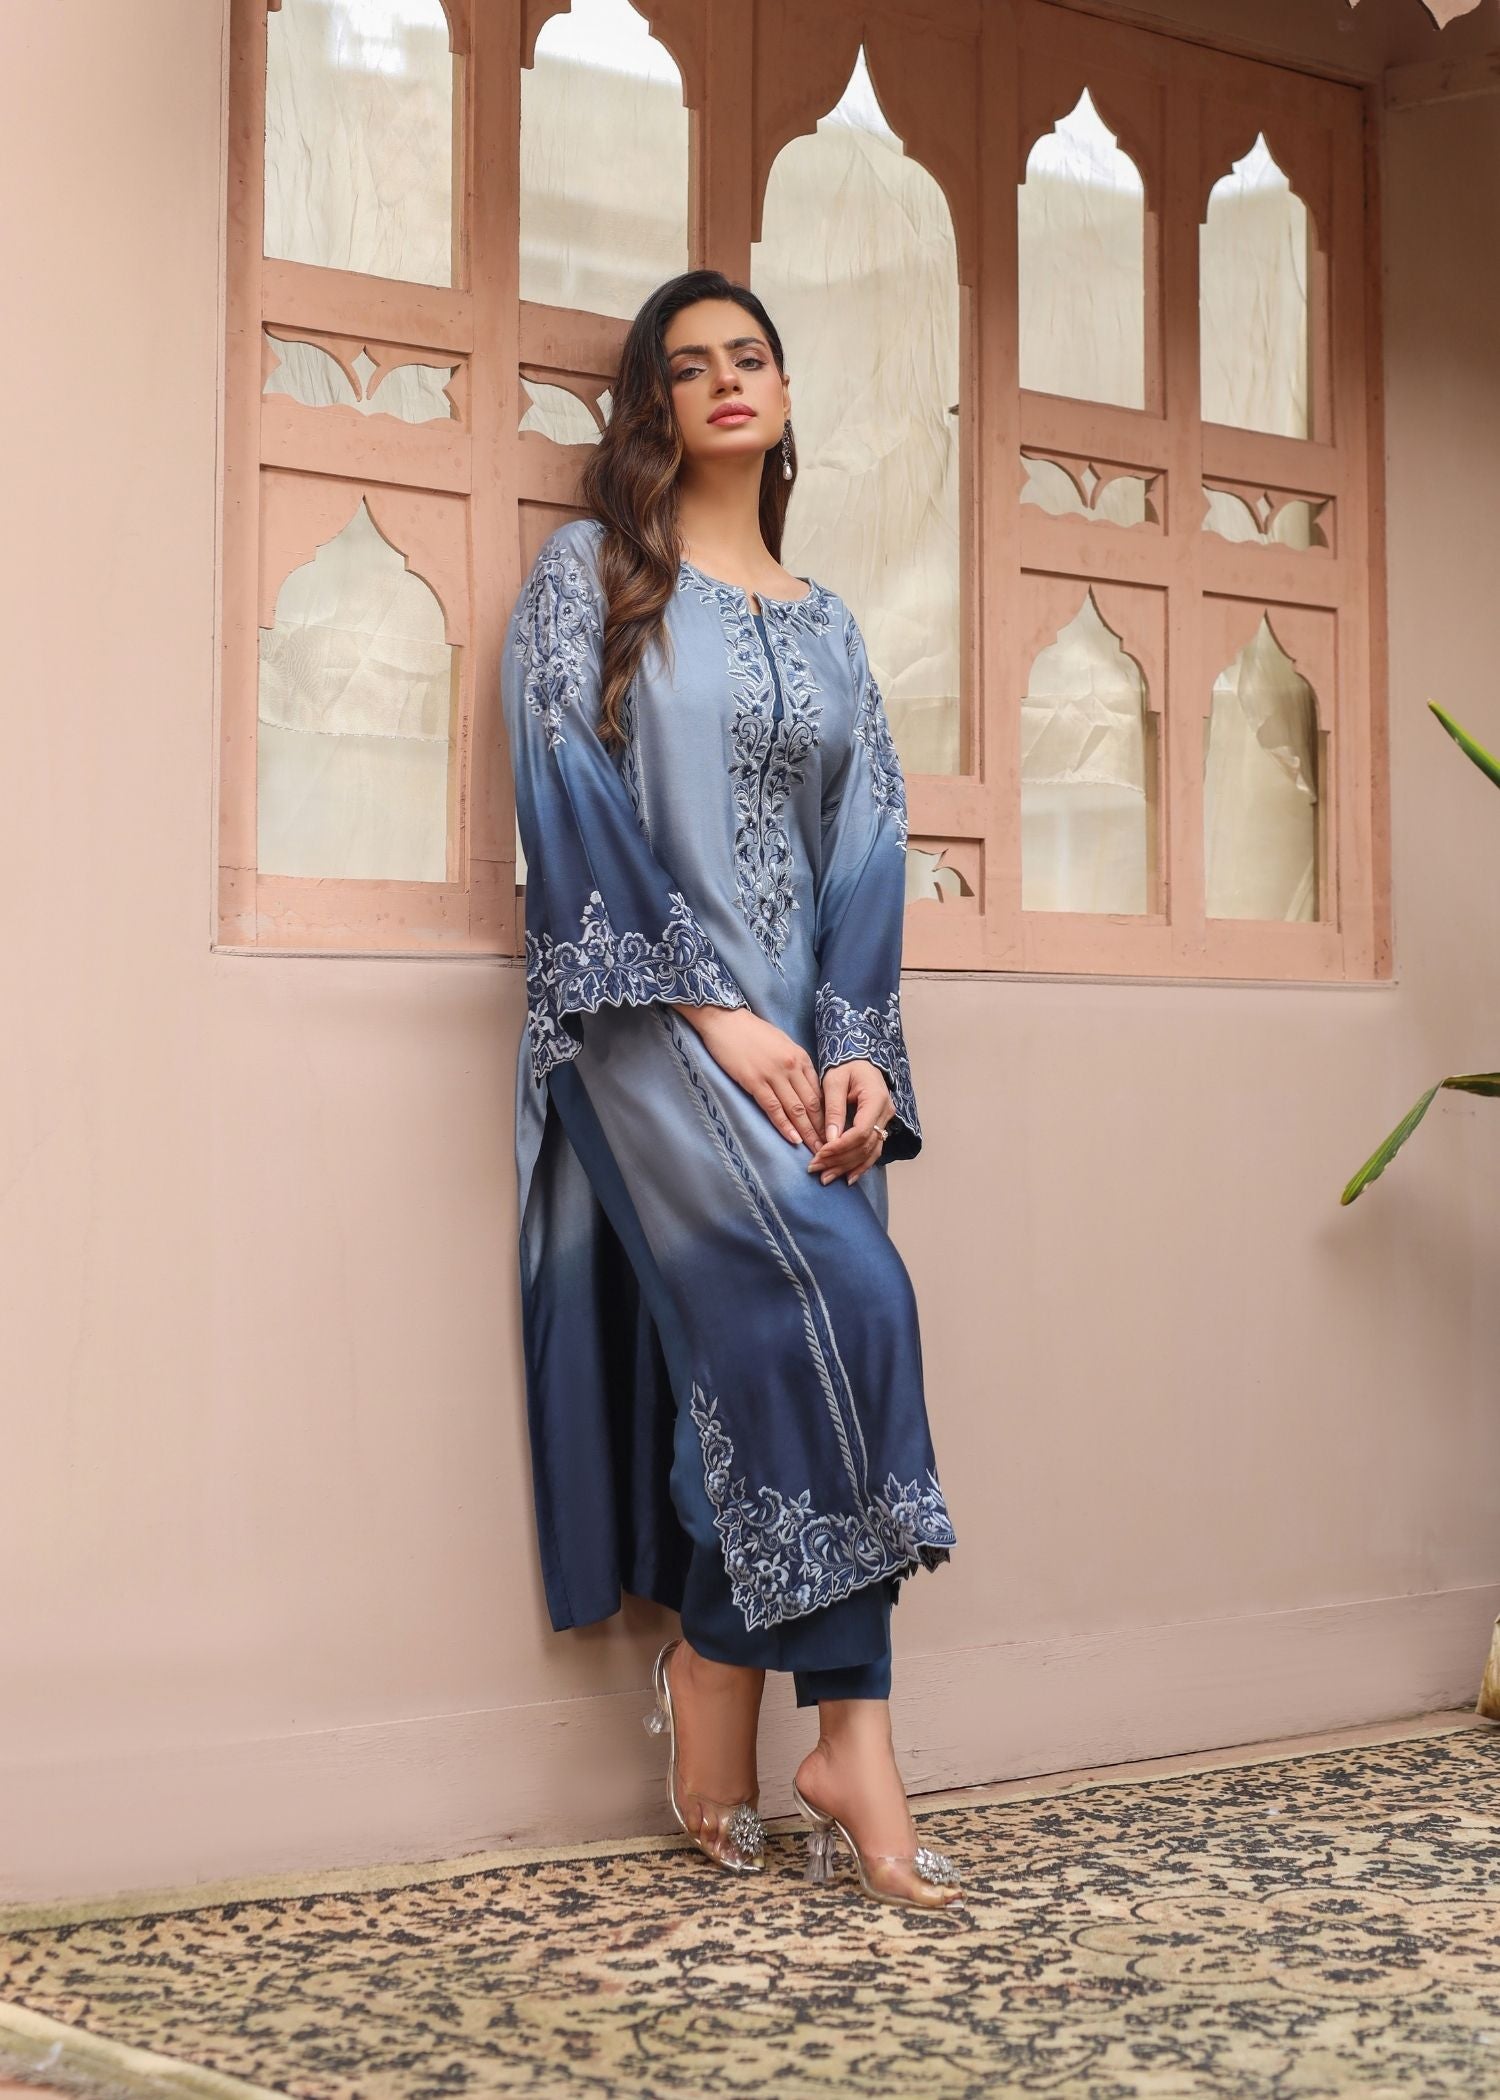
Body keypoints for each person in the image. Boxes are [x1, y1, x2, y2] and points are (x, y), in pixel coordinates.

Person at [500, 268, 962, 1911]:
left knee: (765, 1360)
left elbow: (870, 846)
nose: (725, 381)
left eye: (748, 355)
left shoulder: (830, 623)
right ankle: (856, 1740)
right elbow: (562, 784)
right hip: (640, 1026)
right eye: (688, 366)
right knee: (844, 1304)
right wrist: (713, 1014)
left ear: (781, 393)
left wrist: (854, 1046)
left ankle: (714, 1670)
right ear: (657, 406)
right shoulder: (588, 579)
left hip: (806, 1053)